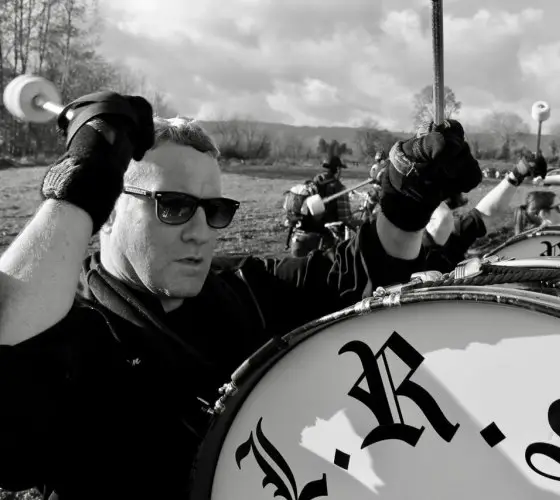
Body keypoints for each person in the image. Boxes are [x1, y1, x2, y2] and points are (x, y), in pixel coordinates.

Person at [0, 88, 482, 500]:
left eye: (215, 210)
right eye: (172, 206)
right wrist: (79, 184)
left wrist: (408, 199)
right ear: (107, 213)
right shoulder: (73, 332)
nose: (200, 233)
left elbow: (364, 267)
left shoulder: (245, 291)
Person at [421, 153, 549, 271]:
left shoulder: (450, 236)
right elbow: (440, 221)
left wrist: (516, 175)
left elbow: (485, 214)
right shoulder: (427, 238)